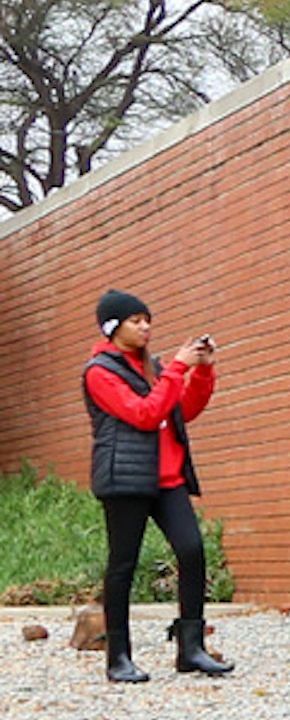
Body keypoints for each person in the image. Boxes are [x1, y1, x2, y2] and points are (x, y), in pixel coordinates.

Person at [82, 289, 230, 684]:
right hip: (126, 480)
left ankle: (191, 648)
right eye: (135, 321)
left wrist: (201, 370)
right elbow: (144, 415)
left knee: (192, 550)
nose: (145, 327)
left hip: (168, 479)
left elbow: (182, 410)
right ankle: (118, 657)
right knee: (123, 565)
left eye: (147, 319)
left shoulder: (156, 369)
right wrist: (177, 369)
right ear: (113, 328)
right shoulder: (100, 372)